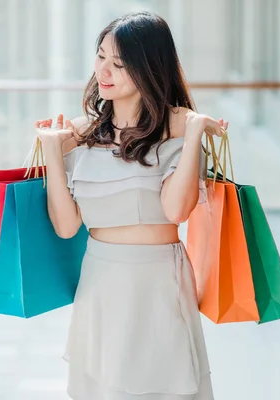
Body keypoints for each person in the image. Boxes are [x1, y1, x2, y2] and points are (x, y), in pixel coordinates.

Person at [35, 12, 227, 400]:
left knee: (163, 385)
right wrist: (52, 150)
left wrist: (192, 136)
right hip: (101, 281)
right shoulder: (81, 137)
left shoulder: (177, 135)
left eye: (118, 64)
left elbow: (176, 211)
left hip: (157, 282)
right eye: (100, 56)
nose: (103, 70)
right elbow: (67, 226)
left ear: (148, 70)